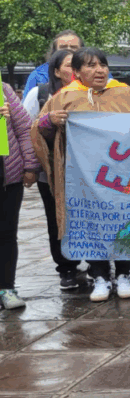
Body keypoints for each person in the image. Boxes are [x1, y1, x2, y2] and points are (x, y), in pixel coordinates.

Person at [32, 48, 130, 302]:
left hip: (121, 175)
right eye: (91, 65)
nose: (99, 70)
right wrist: (49, 120)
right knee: (91, 224)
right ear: (76, 72)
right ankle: (100, 276)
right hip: (83, 177)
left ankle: (124, 274)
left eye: (102, 64)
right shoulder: (63, 98)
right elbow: (40, 132)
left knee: (123, 222)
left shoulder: (127, 94)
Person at [22, 50, 83, 289]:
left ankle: (95, 264)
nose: (76, 70)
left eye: (80, 65)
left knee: (88, 216)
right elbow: (29, 130)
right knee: (56, 220)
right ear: (56, 71)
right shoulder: (40, 94)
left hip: (88, 172)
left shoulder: (97, 95)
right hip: (52, 172)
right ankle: (66, 268)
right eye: (70, 66)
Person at [0, 83, 40, 310]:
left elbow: (25, 129)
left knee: (6, 233)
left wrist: (30, 166)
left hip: (8, 176)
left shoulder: (3, 90)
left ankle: (7, 287)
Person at [23, 30, 83, 95]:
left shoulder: (91, 73)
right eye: (63, 47)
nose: (68, 50)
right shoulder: (38, 75)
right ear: (54, 51)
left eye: (73, 47)